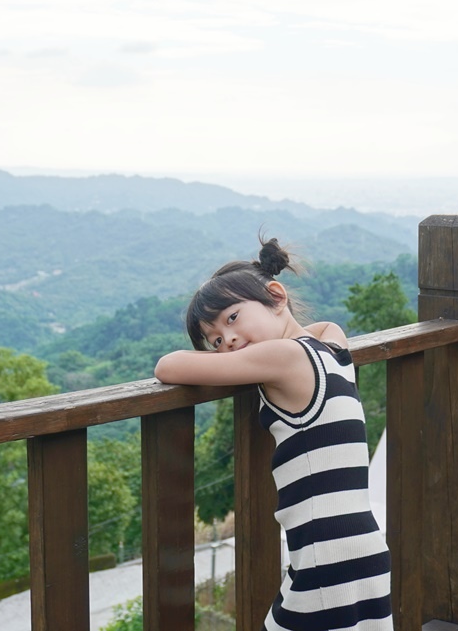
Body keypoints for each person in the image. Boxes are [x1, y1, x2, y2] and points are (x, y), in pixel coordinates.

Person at [155, 237, 393, 631]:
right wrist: (270, 316)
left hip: (323, 553)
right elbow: (315, 326)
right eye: (214, 340)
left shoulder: (282, 357)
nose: (226, 341)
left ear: (277, 295)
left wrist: (227, 350)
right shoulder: (331, 342)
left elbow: (169, 366)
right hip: (364, 545)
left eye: (231, 318)